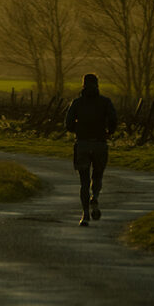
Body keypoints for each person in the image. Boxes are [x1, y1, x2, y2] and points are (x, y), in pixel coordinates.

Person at [63, 73, 118, 226]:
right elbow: (113, 119)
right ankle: (95, 196)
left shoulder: (77, 103)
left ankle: (85, 214)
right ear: (97, 84)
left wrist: (78, 130)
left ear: (83, 85)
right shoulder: (105, 102)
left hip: (82, 144)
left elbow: (68, 124)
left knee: (84, 182)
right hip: (100, 144)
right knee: (98, 176)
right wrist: (109, 132)